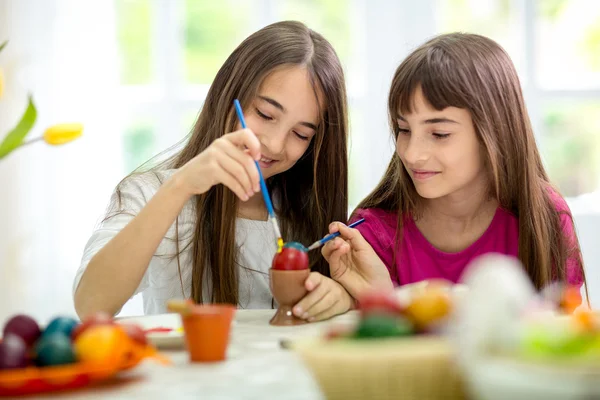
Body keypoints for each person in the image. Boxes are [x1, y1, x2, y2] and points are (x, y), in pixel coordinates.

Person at [73, 21, 354, 320]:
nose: (273, 144)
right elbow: (91, 305)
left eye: (301, 134)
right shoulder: (148, 193)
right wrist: (179, 187)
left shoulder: (311, 216)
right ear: (228, 94)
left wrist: (345, 297)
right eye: (265, 114)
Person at [321, 33, 588, 305]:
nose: (412, 154)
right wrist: (383, 298)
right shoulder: (373, 233)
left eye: (439, 133)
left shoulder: (544, 218)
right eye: (403, 130)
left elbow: (567, 335)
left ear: (494, 132)